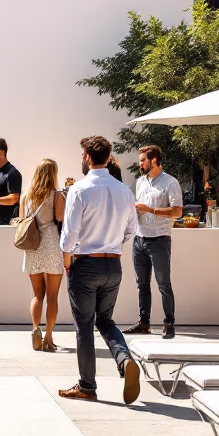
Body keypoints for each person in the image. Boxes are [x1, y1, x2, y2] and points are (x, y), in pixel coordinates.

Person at [58, 136, 142, 404]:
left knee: (84, 325)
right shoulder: (125, 191)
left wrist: (68, 262)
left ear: (86, 157)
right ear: (108, 157)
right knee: (105, 320)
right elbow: (132, 230)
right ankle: (124, 359)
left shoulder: (79, 190)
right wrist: (113, 243)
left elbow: (69, 235)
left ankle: (87, 386)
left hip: (85, 262)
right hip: (112, 264)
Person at [126, 145, 183, 340]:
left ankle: (169, 323)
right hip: (139, 239)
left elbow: (177, 211)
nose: (140, 163)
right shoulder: (140, 181)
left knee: (163, 284)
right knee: (142, 284)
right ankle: (144, 323)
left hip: (159, 239)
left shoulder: (170, 182)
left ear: (155, 160)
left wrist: (150, 210)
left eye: (143, 160)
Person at [21, 159, 66, 352]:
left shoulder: (25, 196)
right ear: (53, 174)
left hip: (33, 246)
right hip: (51, 244)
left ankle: (35, 331)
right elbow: (60, 218)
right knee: (53, 297)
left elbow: (22, 219)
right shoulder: (56, 195)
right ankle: (48, 337)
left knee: (37, 294)